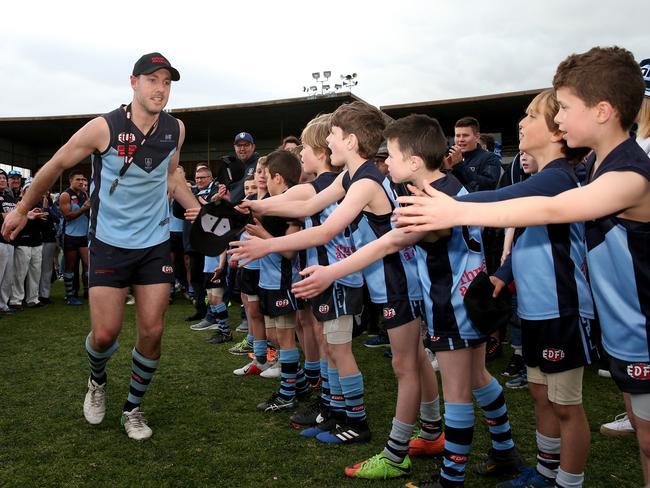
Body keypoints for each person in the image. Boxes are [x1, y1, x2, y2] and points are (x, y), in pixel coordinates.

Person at [393, 46, 650, 485]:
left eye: (565, 107)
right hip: (623, 330)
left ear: (603, 111)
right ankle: (547, 473)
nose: (558, 117)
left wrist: (458, 209)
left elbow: (550, 209)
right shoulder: (594, 167)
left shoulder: (628, 174)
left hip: (634, 327)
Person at [293, 114, 520, 485]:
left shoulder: (432, 199)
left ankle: (451, 477)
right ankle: (504, 448)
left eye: (393, 156)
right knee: (478, 378)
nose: (388, 163)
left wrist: (331, 271)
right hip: (466, 299)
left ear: (414, 162)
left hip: (453, 305)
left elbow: (392, 242)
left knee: (459, 394)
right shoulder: (444, 186)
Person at [2, 51, 199, 441]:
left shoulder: (175, 129)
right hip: (108, 243)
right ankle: (97, 381)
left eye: (167, 82)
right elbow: (57, 163)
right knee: (105, 334)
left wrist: (197, 207)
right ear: (133, 82)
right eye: (152, 80)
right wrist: (23, 207)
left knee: (153, 330)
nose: (160, 89)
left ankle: (133, 408)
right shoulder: (103, 127)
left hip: (155, 243)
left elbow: (171, 174)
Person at [231, 101, 425, 449]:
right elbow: (307, 206)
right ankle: (428, 428)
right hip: (382, 278)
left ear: (349, 141)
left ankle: (370, 429)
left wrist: (268, 246)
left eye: (333, 135)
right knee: (411, 362)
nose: (328, 144)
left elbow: (324, 231)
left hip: (399, 278)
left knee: (406, 364)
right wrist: (258, 205)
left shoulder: (366, 180)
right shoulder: (350, 176)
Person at [247, 150, 313, 412]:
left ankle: (288, 394)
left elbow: (289, 250)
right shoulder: (271, 204)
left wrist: (261, 234)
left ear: (278, 177)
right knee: (275, 335)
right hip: (267, 279)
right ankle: (301, 384)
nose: (263, 180)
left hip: (284, 280)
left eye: (266, 175)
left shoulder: (290, 208)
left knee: (284, 338)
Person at [59, 171, 90, 305]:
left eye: (83, 179)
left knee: (87, 264)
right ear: (71, 181)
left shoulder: (84, 194)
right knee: (70, 266)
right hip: (70, 235)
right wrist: (83, 209)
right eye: (78, 179)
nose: (81, 182)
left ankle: (87, 291)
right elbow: (67, 216)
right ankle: (69, 295)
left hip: (84, 235)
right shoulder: (65, 195)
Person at [218, 132, 259, 205]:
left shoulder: (260, 165)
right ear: (234, 147)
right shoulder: (230, 167)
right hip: (231, 210)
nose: (242, 149)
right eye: (239, 145)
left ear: (253, 147)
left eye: (246, 145)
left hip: (250, 210)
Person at [0, 170, 18, 313]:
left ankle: (3, 304)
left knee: (8, 276)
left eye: (3, 178)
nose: (2, 180)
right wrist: (20, 214)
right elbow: (6, 216)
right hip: (0, 240)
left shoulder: (9, 197)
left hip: (10, 240)